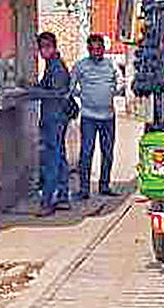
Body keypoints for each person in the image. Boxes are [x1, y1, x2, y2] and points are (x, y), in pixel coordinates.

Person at [71, 32, 119, 199]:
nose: (96, 52)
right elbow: (71, 87)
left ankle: (104, 185)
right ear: (88, 50)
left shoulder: (111, 65)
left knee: (107, 152)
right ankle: (84, 189)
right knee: (86, 152)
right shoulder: (80, 66)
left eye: (99, 49)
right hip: (88, 117)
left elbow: (119, 83)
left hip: (108, 117)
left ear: (104, 50)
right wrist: (84, 95)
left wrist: (110, 92)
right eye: (93, 49)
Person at [33, 31, 73, 212]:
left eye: (46, 47)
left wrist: (37, 93)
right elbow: (46, 86)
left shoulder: (56, 66)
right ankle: (63, 196)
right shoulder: (51, 65)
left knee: (52, 158)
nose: (43, 51)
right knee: (59, 156)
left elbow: (57, 93)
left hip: (55, 118)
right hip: (55, 117)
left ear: (53, 47)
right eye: (41, 48)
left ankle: (47, 200)